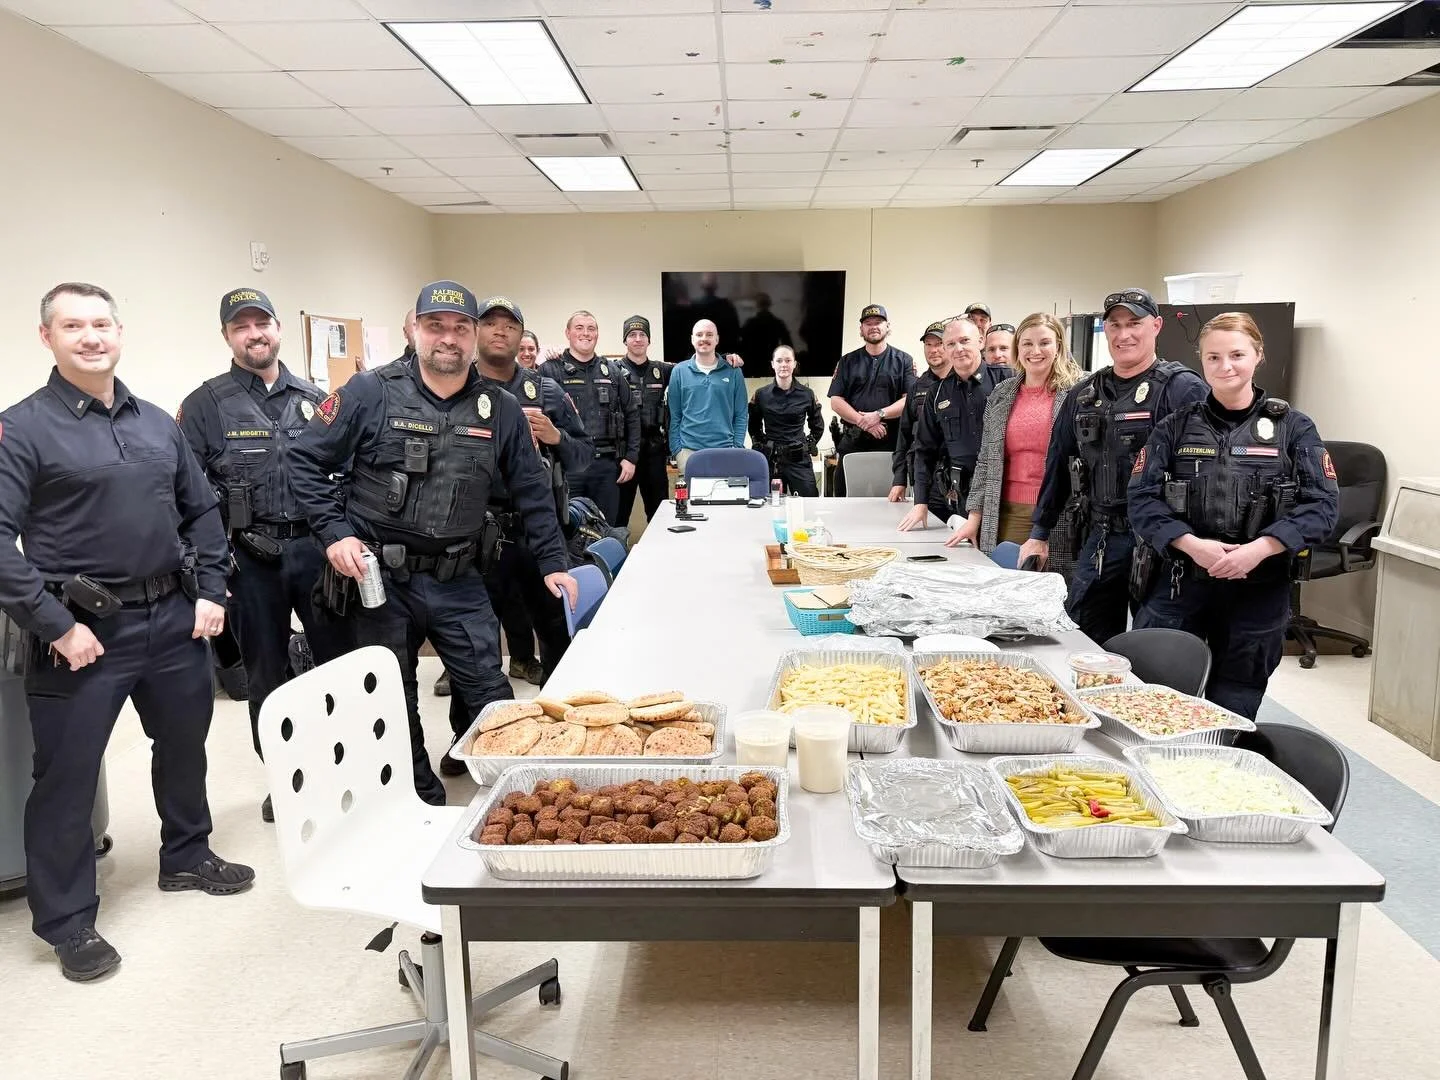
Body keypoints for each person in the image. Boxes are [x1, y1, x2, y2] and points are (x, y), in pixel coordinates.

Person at [0, 282, 252, 983]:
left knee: (184, 745)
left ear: (120, 331)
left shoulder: (156, 423)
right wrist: (54, 624)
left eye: (102, 323)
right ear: (45, 337)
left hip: (173, 619)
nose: (91, 336)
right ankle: (67, 920)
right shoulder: (22, 428)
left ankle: (187, 854)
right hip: (80, 630)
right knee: (66, 779)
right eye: (73, 325)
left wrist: (209, 591)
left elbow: (200, 511)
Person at [289, 280, 578, 805]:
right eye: (435, 326)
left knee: (490, 691)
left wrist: (553, 563)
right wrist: (335, 535)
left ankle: (519, 798)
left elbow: (533, 489)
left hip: (458, 576)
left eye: (460, 328)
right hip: (379, 580)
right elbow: (304, 461)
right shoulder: (370, 391)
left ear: (474, 337)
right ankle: (419, 799)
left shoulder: (500, 408)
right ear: (415, 329)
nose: (448, 338)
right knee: (391, 698)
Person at [176, 288, 350, 823]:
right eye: (241, 326)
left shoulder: (318, 397)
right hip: (248, 560)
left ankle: (343, 767)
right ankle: (288, 776)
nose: (255, 333)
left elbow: (341, 470)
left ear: (277, 329)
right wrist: (205, 568)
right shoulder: (205, 403)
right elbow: (187, 492)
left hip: (315, 551)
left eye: (263, 323)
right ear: (228, 336)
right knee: (265, 672)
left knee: (335, 666)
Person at [1128, 313, 1338, 718]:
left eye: (1237, 354)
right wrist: (1192, 546)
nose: (1226, 366)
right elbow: (1142, 499)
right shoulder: (1174, 428)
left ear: (1258, 355)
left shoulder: (1293, 428)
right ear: (1201, 362)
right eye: (1214, 357)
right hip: (1180, 581)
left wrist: (1259, 549)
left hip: (1258, 587)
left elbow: (1323, 507)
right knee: (1158, 699)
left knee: (1235, 704)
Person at [436, 296, 593, 773]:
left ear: (522, 335)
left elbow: (586, 456)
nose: (500, 332)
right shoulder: (456, 392)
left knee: (557, 639)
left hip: (537, 532)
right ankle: (470, 737)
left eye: (510, 325)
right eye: (491, 324)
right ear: (476, 333)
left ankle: (563, 735)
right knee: (474, 647)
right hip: (475, 541)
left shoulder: (547, 390)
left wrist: (556, 438)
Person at [1021, 287, 1209, 644]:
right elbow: (1059, 463)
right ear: (1104, 330)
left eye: (1134, 324)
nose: (1124, 335)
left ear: (1156, 326)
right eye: (1115, 325)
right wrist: (1038, 534)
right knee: (1081, 637)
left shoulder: (1182, 389)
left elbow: (1208, 472)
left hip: (1163, 540)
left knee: (1157, 642)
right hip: (1103, 532)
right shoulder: (1085, 393)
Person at [949, 313, 1082, 574]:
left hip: (1060, 515)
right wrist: (974, 517)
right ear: (1017, 348)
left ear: (1058, 347)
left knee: (1051, 598)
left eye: (1044, 343)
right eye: (1027, 344)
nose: (1035, 351)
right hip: (1003, 513)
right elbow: (986, 459)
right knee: (1003, 595)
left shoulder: (1078, 393)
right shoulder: (1002, 393)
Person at [900, 317, 1010, 532]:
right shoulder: (938, 392)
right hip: (962, 495)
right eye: (950, 344)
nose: (958, 349)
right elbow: (924, 449)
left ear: (980, 342)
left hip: (1004, 489)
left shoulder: (1007, 381)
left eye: (964, 341)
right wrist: (920, 502)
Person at [538, 311, 639, 526]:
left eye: (591, 328)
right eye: (579, 328)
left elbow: (632, 415)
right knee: (567, 529)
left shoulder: (612, 371)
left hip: (606, 466)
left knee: (606, 527)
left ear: (597, 334)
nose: (586, 333)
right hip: (567, 466)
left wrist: (631, 458)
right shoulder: (550, 369)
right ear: (568, 333)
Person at [828, 303, 915, 497]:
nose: (873, 326)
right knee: (845, 498)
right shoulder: (847, 361)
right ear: (861, 329)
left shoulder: (904, 360)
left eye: (878, 322)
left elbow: (908, 400)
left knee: (889, 500)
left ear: (887, 327)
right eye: (868, 323)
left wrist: (878, 415)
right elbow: (836, 401)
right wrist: (864, 422)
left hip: (891, 442)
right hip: (853, 441)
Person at [667, 319, 749, 472]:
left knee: (725, 496)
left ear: (717, 339)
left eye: (709, 334)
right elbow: (674, 415)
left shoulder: (733, 371)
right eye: (699, 334)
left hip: (726, 451)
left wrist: (736, 446)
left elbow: (741, 414)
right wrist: (677, 450)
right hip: (688, 452)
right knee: (692, 497)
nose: (704, 338)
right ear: (692, 339)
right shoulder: (679, 371)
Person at [615, 315, 674, 525]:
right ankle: (616, 557)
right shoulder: (613, 370)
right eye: (632, 335)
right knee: (619, 516)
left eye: (642, 335)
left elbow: (693, 367)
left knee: (660, 515)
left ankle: (660, 557)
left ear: (649, 340)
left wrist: (725, 357)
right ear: (625, 340)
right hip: (624, 454)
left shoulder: (663, 371)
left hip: (654, 453)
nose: (638, 339)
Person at [889, 320, 951, 509]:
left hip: (957, 476)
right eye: (928, 344)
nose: (933, 350)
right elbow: (904, 435)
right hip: (926, 478)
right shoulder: (917, 387)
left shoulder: (963, 384)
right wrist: (899, 479)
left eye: (939, 344)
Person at [749, 345, 822, 496]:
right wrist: (764, 445)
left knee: (809, 503)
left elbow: (817, 426)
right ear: (772, 364)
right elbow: (754, 427)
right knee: (766, 505)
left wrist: (807, 445)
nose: (784, 365)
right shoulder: (761, 395)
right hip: (771, 460)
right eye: (779, 360)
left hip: (798, 460)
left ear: (794, 364)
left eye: (788, 360)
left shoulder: (807, 394)